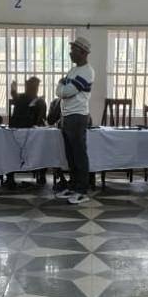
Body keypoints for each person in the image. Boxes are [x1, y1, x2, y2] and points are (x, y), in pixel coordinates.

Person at [55, 36, 95, 205]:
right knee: (70, 154)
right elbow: (62, 91)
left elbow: (65, 92)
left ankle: (81, 189)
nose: (71, 53)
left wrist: (60, 85)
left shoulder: (87, 71)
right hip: (67, 116)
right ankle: (72, 186)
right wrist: (61, 87)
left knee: (79, 154)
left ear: (83, 52)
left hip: (78, 117)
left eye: (74, 50)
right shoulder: (73, 71)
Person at [5, 77, 48, 189]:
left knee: (42, 148)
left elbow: (41, 121)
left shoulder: (40, 101)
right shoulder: (20, 97)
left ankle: (42, 175)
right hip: (16, 133)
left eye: (36, 87)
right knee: (9, 149)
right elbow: (14, 94)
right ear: (26, 86)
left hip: (33, 135)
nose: (34, 89)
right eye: (30, 86)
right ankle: (10, 177)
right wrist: (13, 89)